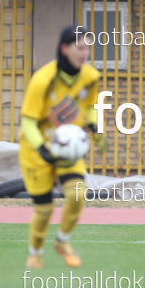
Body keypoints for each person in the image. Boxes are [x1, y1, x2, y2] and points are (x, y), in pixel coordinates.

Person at [19, 25, 107, 269]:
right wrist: (42, 149)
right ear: (64, 49)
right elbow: (27, 122)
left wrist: (96, 128)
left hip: (68, 148)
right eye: (80, 48)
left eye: (88, 48)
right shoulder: (42, 80)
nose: (85, 53)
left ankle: (62, 241)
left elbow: (91, 106)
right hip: (36, 151)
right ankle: (35, 253)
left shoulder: (90, 77)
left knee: (77, 195)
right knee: (44, 210)